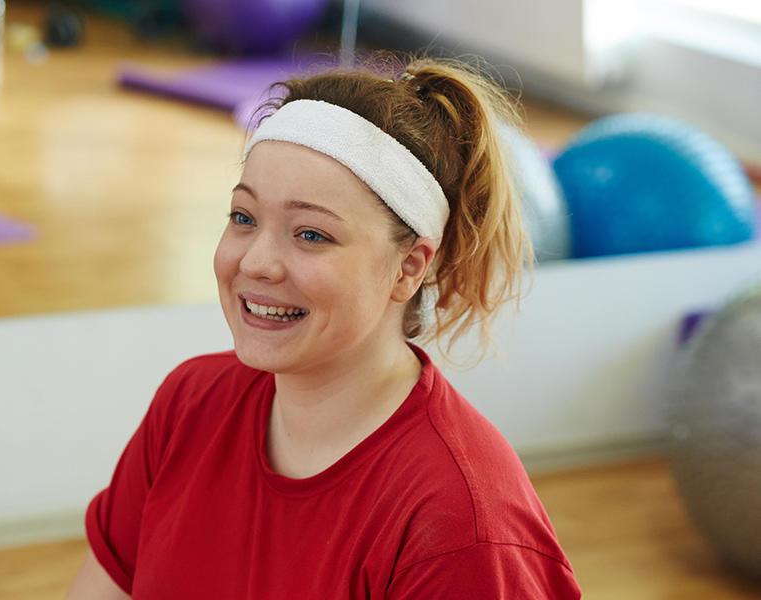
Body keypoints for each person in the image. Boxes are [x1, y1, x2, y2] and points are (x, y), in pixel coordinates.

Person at [65, 55, 582, 598]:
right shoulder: (191, 403)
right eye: (244, 218)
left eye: (311, 234)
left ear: (410, 267)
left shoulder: (462, 523)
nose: (257, 262)